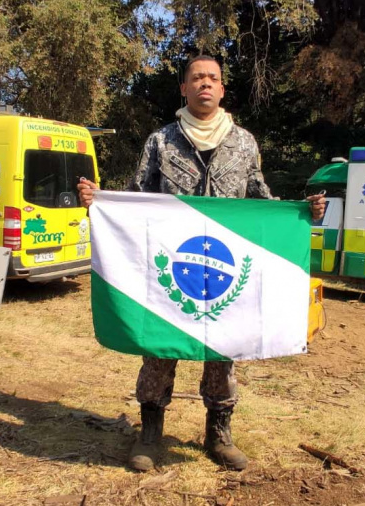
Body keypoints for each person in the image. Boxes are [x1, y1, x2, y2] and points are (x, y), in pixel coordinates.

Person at [78, 55, 326, 472]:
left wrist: (302, 213)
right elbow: (136, 195)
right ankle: (150, 434)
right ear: (184, 88)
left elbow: (260, 199)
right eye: (197, 78)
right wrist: (100, 201)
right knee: (158, 345)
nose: (205, 84)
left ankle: (219, 434)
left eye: (212, 78)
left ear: (222, 89)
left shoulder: (243, 142)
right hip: (174, 266)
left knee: (223, 349)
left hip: (225, 266)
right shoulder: (161, 141)